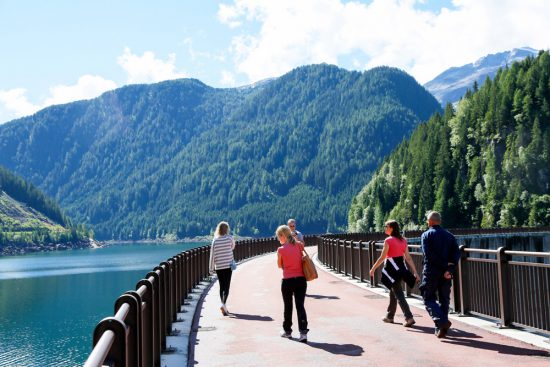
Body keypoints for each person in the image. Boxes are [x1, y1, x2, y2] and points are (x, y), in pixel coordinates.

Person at [369, 220, 419, 327]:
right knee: (393, 292)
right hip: (402, 270)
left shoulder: (388, 240)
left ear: (391, 228)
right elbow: (408, 258)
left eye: (386, 226)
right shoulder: (403, 240)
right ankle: (389, 316)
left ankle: (409, 317)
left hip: (392, 271)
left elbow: (382, 257)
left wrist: (373, 268)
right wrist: (415, 273)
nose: (385, 228)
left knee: (399, 294)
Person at [420, 211, 460, 338]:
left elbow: (428, 254)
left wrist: (443, 265)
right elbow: (456, 255)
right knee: (444, 299)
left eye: (427, 221)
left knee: (428, 298)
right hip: (446, 273)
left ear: (430, 222)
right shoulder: (450, 236)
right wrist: (449, 270)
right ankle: (441, 329)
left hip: (431, 272)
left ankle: (442, 322)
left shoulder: (426, 235)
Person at [276, 224, 309, 343]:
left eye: (278, 237)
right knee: (300, 306)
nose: (278, 239)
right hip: (301, 279)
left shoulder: (280, 249)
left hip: (287, 281)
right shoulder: (299, 245)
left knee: (288, 306)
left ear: (282, 236)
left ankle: (287, 331)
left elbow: (280, 265)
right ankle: (303, 333)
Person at [209, 221, 236, 316]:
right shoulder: (230, 238)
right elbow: (233, 247)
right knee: (227, 286)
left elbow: (212, 256)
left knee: (221, 286)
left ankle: (223, 306)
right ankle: (223, 305)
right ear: (227, 229)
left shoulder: (215, 240)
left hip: (219, 267)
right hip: (228, 266)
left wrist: (211, 269)